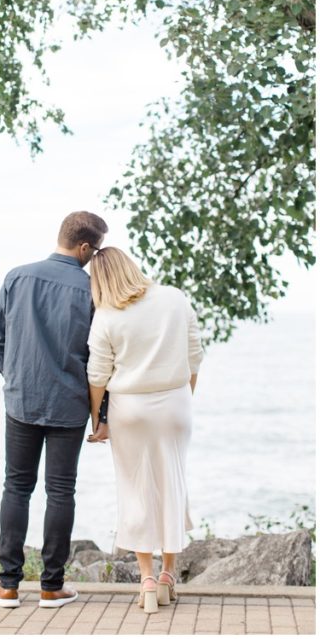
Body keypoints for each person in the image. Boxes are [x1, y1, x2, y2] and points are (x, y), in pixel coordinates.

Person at [0, 211, 109, 609]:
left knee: (16, 487)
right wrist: (101, 412)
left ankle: (7, 586)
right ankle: (50, 586)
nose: (95, 258)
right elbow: (99, 358)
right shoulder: (91, 291)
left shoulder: (17, 277)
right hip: (69, 404)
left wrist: (16, 377)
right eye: (96, 251)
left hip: (21, 400)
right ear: (85, 247)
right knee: (60, 492)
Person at [86, 247, 203, 614]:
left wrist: (98, 422)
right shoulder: (174, 298)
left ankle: (147, 579)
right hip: (175, 403)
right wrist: (182, 399)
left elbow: (97, 376)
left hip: (130, 409)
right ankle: (170, 574)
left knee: (135, 488)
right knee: (172, 483)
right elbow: (195, 356)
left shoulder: (106, 315)